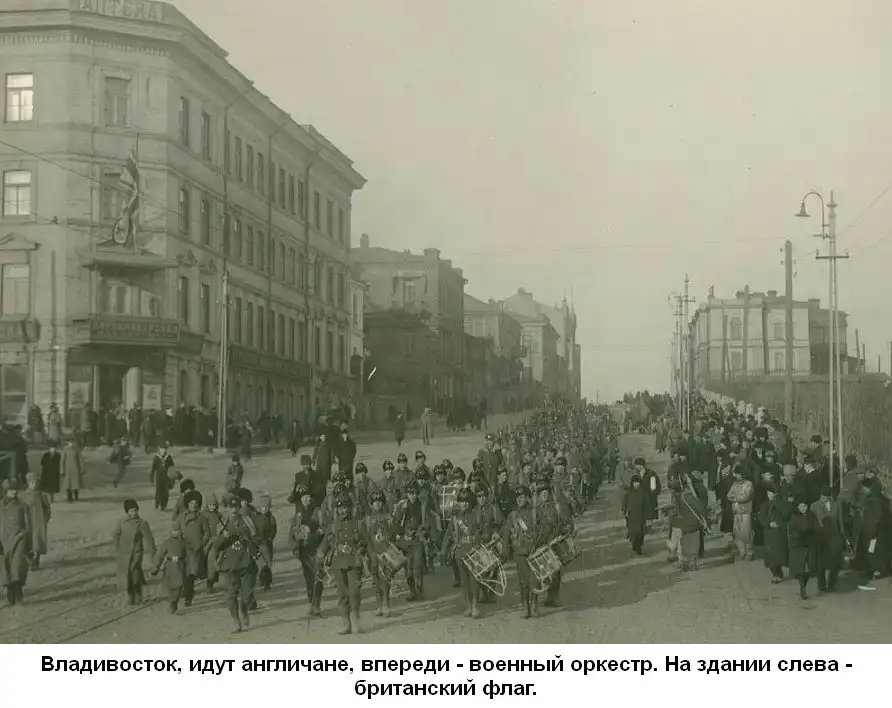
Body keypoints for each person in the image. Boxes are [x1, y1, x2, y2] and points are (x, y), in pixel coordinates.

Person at [317, 494, 368, 635]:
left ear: (350, 508)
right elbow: (325, 542)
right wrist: (320, 557)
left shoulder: (357, 523)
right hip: (337, 563)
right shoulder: (333, 525)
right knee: (342, 593)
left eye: (345, 508)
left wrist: (362, 548)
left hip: (354, 561)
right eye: (340, 508)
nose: (343, 510)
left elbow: (366, 540)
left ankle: (356, 621)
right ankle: (346, 623)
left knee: (355, 592)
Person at [214, 491, 258, 633]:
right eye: (230, 507)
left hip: (246, 562)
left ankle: (244, 609)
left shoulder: (246, 520)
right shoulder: (222, 523)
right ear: (226, 508)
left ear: (239, 507)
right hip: (230, 564)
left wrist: (248, 541)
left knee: (247, 593)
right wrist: (224, 537)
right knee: (231, 594)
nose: (233, 510)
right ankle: (235, 620)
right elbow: (217, 545)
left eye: (236, 507)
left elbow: (255, 538)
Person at [440, 487, 486, 619]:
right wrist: (443, 550)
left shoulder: (477, 515)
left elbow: (484, 531)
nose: (464, 504)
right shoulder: (455, 519)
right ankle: (468, 606)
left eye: (466, 501)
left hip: (474, 551)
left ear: (471, 502)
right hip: (460, 552)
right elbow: (448, 535)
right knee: (464, 581)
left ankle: (475, 606)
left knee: (474, 579)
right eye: (461, 501)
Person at [502, 485, 540, 618]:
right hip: (519, 552)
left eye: (522, 497)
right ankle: (526, 607)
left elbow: (542, 528)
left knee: (535, 579)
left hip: (534, 550)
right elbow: (506, 535)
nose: (519, 500)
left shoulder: (534, 512)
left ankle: (534, 604)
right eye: (517, 498)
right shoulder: (512, 516)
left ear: (528, 498)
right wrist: (505, 551)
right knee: (523, 582)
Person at [112, 499, 156, 606]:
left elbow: (149, 539)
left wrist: (153, 554)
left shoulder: (142, 523)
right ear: (127, 512)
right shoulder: (122, 522)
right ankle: (131, 596)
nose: (134, 513)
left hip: (136, 552)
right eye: (131, 511)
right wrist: (118, 547)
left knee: (134, 571)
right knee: (127, 575)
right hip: (124, 553)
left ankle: (138, 594)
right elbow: (116, 534)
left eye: (135, 510)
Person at [289, 485, 324, 618]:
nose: (306, 500)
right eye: (304, 497)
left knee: (318, 578)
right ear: (301, 500)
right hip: (304, 552)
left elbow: (324, 530)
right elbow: (291, 536)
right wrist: (295, 547)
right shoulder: (297, 516)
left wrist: (319, 540)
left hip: (317, 550)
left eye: (308, 497)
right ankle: (311, 602)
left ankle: (317, 604)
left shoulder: (318, 513)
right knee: (309, 579)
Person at [392, 480, 429, 601]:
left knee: (417, 566)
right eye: (410, 493)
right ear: (407, 494)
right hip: (405, 542)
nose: (412, 496)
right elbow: (395, 522)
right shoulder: (402, 505)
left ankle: (419, 589)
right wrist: (399, 534)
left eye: (414, 493)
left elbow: (427, 524)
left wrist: (422, 533)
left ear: (418, 493)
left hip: (417, 540)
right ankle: (412, 591)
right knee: (408, 570)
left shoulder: (422, 506)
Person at [364, 490, 396, 617]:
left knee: (385, 580)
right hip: (372, 553)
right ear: (371, 504)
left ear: (383, 503)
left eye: (379, 502)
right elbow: (366, 538)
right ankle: (379, 605)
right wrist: (369, 552)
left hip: (385, 553)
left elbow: (393, 535)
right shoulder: (367, 519)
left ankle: (386, 605)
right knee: (375, 579)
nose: (377, 504)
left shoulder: (388, 518)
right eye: (374, 502)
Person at [0, 478, 31, 606]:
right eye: (11, 490)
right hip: (4, 541)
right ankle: (9, 596)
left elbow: (29, 526)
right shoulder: (0, 506)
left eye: (15, 489)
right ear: (5, 491)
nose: (14, 492)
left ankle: (18, 595)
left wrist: (29, 545)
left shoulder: (22, 506)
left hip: (20, 539)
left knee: (17, 567)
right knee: (5, 569)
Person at [810, 486, 845, 592]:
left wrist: (842, 535)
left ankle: (832, 583)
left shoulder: (837, 505)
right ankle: (821, 585)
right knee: (821, 564)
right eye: (822, 496)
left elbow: (840, 521)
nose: (823, 499)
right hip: (821, 538)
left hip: (834, 538)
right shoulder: (814, 506)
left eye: (826, 497)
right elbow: (812, 523)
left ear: (830, 496)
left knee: (836, 563)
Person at [178, 490, 209, 607]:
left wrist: (201, 544)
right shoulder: (181, 517)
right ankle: (187, 592)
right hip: (184, 548)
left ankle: (188, 595)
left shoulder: (202, 518)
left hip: (196, 550)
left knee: (192, 573)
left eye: (196, 503)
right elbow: (176, 529)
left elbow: (207, 533)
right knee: (184, 573)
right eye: (191, 503)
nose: (194, 505)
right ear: (187, 504)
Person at [151, 525, 188, 614]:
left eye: (177, 531)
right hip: (170, 565)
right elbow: (160, 555)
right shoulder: (167, 542)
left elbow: (190, 554)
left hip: (181, 565)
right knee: (170, 585)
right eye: (174, 531)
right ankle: (172, 602)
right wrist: (155, 568)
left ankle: (174, 603)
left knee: (179, 585)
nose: (175, 533)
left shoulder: (184, 542)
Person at [758, 484, 790, 584]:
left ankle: (778, 574)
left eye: (773, 493)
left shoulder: (782, 504)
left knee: (778, 555)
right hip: (769, 533)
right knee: (770, 556)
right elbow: (761, 518)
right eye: (769, 493)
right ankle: (775, 574)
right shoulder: (764, 505)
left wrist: (780, 524)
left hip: (779, 532)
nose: (771, 495)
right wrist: (768, 523)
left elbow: (786, 516)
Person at [787, 498, 817, 600]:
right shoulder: (794, 517)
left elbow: (816, 528)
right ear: (797, 507)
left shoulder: (811, 516)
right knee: (800, 569)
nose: (803, 508)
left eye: (805, 506)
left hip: (809, 545)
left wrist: (813, 536)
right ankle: (802, 587)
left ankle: (804, 584)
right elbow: (791, 531)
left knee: (808, 570)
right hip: (798, 545)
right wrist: (799, 534)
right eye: (801, 506)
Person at [20, 474, 51, 570]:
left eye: (36, 483)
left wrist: (46, 517)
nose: (34, 485)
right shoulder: (23, 496)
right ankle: (29, 560)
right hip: (27, 522)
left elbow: (47, 508)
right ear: (28, 483)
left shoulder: (41, 495)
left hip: (38, 522)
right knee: (28, 541)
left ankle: (36, 560)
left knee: (37, 542)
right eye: (32, 482)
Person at [622, 474, 649, 556]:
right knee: (633, 532)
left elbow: (647, 504)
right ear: (632, 483)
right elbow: (625, 502)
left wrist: (647, 514)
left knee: (640, 533)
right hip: (631, 516)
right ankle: (635, 544)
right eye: (634, 482)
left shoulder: (643, 493)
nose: (636, 484)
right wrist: (624, 510)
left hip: (641, 516)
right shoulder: (629, 493)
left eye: (637, 482)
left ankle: (639, 546)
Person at [255, 495, 277, 592]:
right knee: (260, 563)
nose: (265, 509)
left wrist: (270, 537)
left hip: (267, 543)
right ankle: (261, 579)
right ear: (260, 507)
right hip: (257, 543)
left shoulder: (271, 518)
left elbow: (273, 529)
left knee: (268, 563)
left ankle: (267, 582)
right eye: (263, 507)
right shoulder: (256, 517)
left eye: (267, 507)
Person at [150, 446, 176, 511]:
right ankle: (157, 504)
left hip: (167, 478)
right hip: (159, 477)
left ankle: (164, 506)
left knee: (166, 492)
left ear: (166, 450)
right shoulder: (157, 457)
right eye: (161, 450)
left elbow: (172, 468)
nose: (162, 451)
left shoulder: (169, 457)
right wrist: (151, 477)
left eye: (164, 450)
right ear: (159, 450)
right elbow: (153, 468)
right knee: (158, 491)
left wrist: (173, 478)